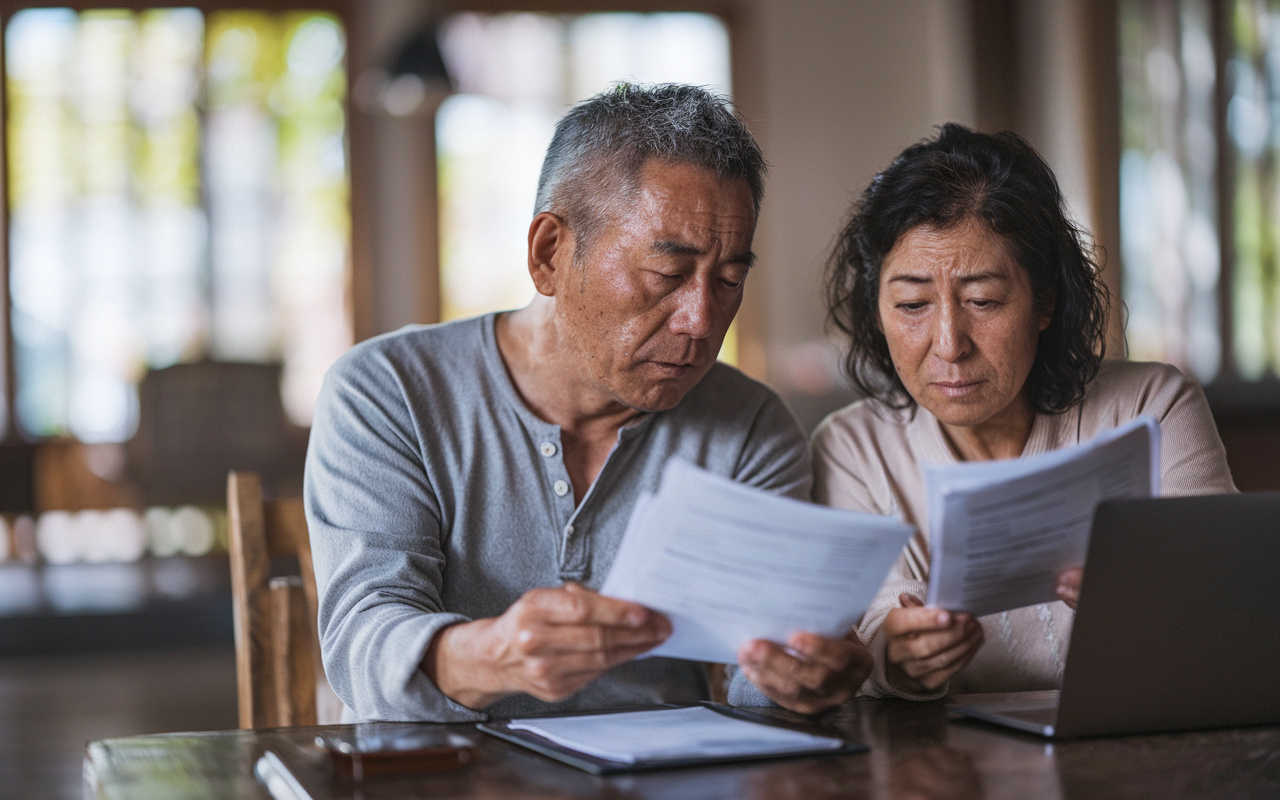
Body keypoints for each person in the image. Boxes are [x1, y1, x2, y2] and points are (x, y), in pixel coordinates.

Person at [305, 84, 872, 722]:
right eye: (666, 274)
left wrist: (800, 679)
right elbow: (361, 645)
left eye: (731, 279)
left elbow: (754, 681)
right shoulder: (389, 392)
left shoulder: (747, 427)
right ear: (549, 253)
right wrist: (494, 654)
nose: (701, 319)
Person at [816, 123, 1236, 700]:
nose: (948, 343)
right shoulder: (852, 449)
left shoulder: (1150, 407)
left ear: (1045, 301)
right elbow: (864, 628)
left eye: (983, 301)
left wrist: (1159, 603)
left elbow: (1231, 601)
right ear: (877, 307)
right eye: (912, 304)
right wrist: (901, 656)